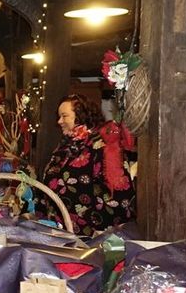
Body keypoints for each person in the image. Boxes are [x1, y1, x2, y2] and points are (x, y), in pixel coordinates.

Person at [41, 94, 136, 236]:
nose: (59, 121)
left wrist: (88, 223)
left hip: (89, 237)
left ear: (81, 115)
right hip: (58, 233)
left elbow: (121, 195)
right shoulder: (65, 146)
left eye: (64, 116)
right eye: (59, 116)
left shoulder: (102, 146)